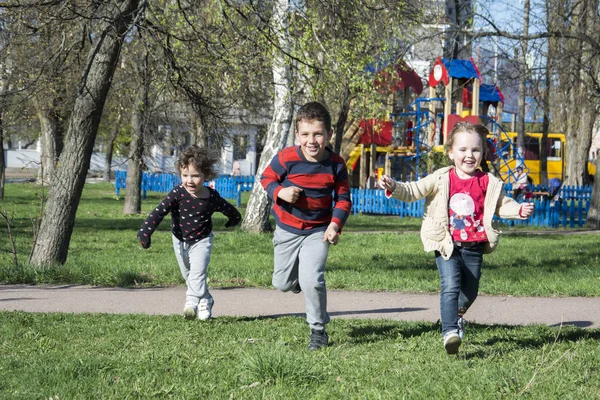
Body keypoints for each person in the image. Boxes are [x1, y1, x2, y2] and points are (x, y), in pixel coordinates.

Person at [379, 121, 534, 355]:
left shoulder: (488, 182)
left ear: (482, 153)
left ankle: (456, 315)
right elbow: (413, 191)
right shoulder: (440, 178)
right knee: (450, 286)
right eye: (463, 150)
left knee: (470, 292)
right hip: (446, 244)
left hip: (474, 246)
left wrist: (519, 210)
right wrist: (394, 185)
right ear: (451, 152)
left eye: (475, 150)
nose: (469, 155)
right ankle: (450, 332)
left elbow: (502, 204)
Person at [261, 101, 352, 350]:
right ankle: (298, 281)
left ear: (329, 134)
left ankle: (318, 330)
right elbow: (266, 178)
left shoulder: (336, 164)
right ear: (297, 135)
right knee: (282, 284)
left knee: (313, 280)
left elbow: (343, 199)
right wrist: (280, 192)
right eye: (305, 134)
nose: (311, 140)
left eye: (318, 134)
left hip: (318, 231)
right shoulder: (286, 158)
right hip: (287, 229)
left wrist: (335, 225)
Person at [137, 146, 242, 320]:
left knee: (197, 273)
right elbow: (159, 211)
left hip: (202, 240)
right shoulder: (178, 193)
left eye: (195, 176)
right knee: (189, 275)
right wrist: (145, 232)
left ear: (205, 175)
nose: (190, 181)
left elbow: (228, 209)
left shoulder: (211, 197)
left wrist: (234, 219)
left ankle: (191, 303)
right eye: (185, 176)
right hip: (179, 240)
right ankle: (206, 300)